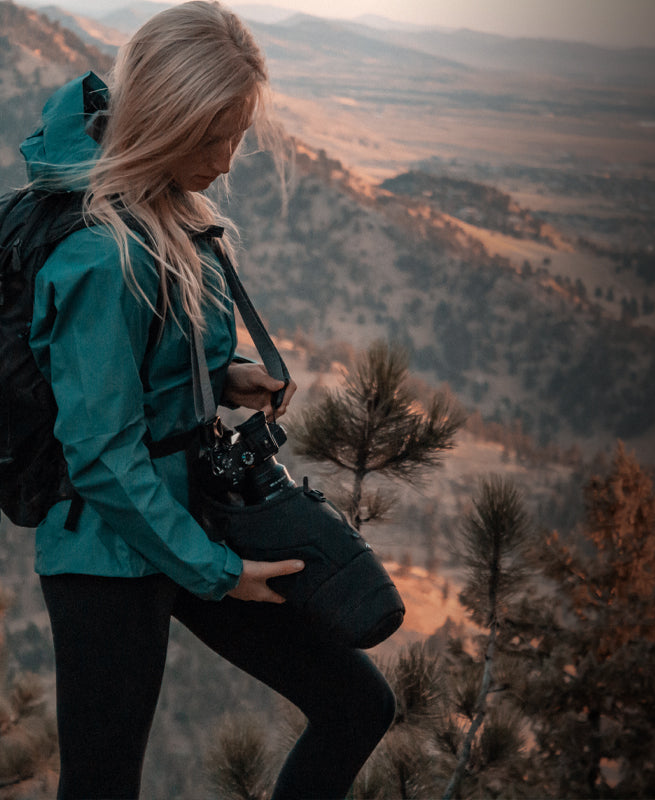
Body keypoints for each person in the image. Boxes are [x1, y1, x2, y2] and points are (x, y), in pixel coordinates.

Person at [24, 2, 395, 798]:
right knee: (101, 784)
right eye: (215, 136)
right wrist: (218, 572)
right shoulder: (97, 254)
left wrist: (224, 376)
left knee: (357, 703)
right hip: (106, 550)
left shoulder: (159, 211)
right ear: (167, 122)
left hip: (191, 513)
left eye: (237, 134)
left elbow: (140, 357)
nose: (228, 160)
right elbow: (100, 454)